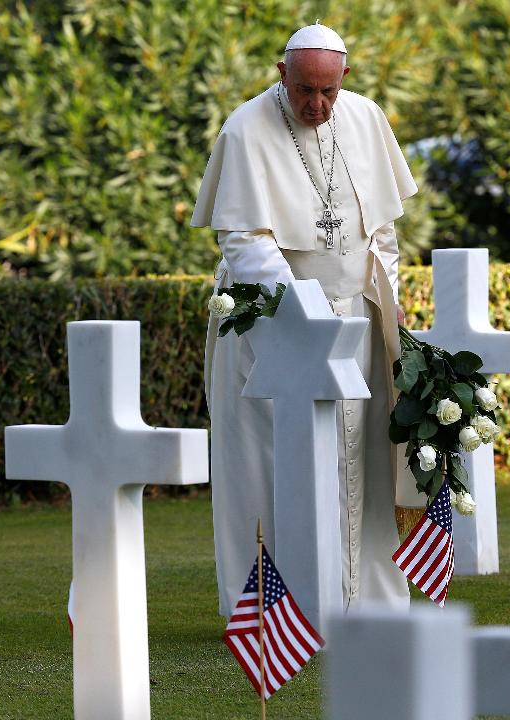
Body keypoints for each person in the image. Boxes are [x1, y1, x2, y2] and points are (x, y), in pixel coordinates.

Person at [192, 23, 419, 616]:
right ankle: (278, 609)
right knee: (271, 465)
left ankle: (366, 599)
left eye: (328, 91)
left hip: (358, 325)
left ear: (345, 79)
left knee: (364, 462)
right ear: (281, 74)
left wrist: (388, 295)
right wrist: (305, 318)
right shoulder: (246, 128)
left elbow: (382, 231)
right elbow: (244, 239)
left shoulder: (365, 118)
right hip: (275, 329)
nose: (316, 105)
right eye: (303, 91)